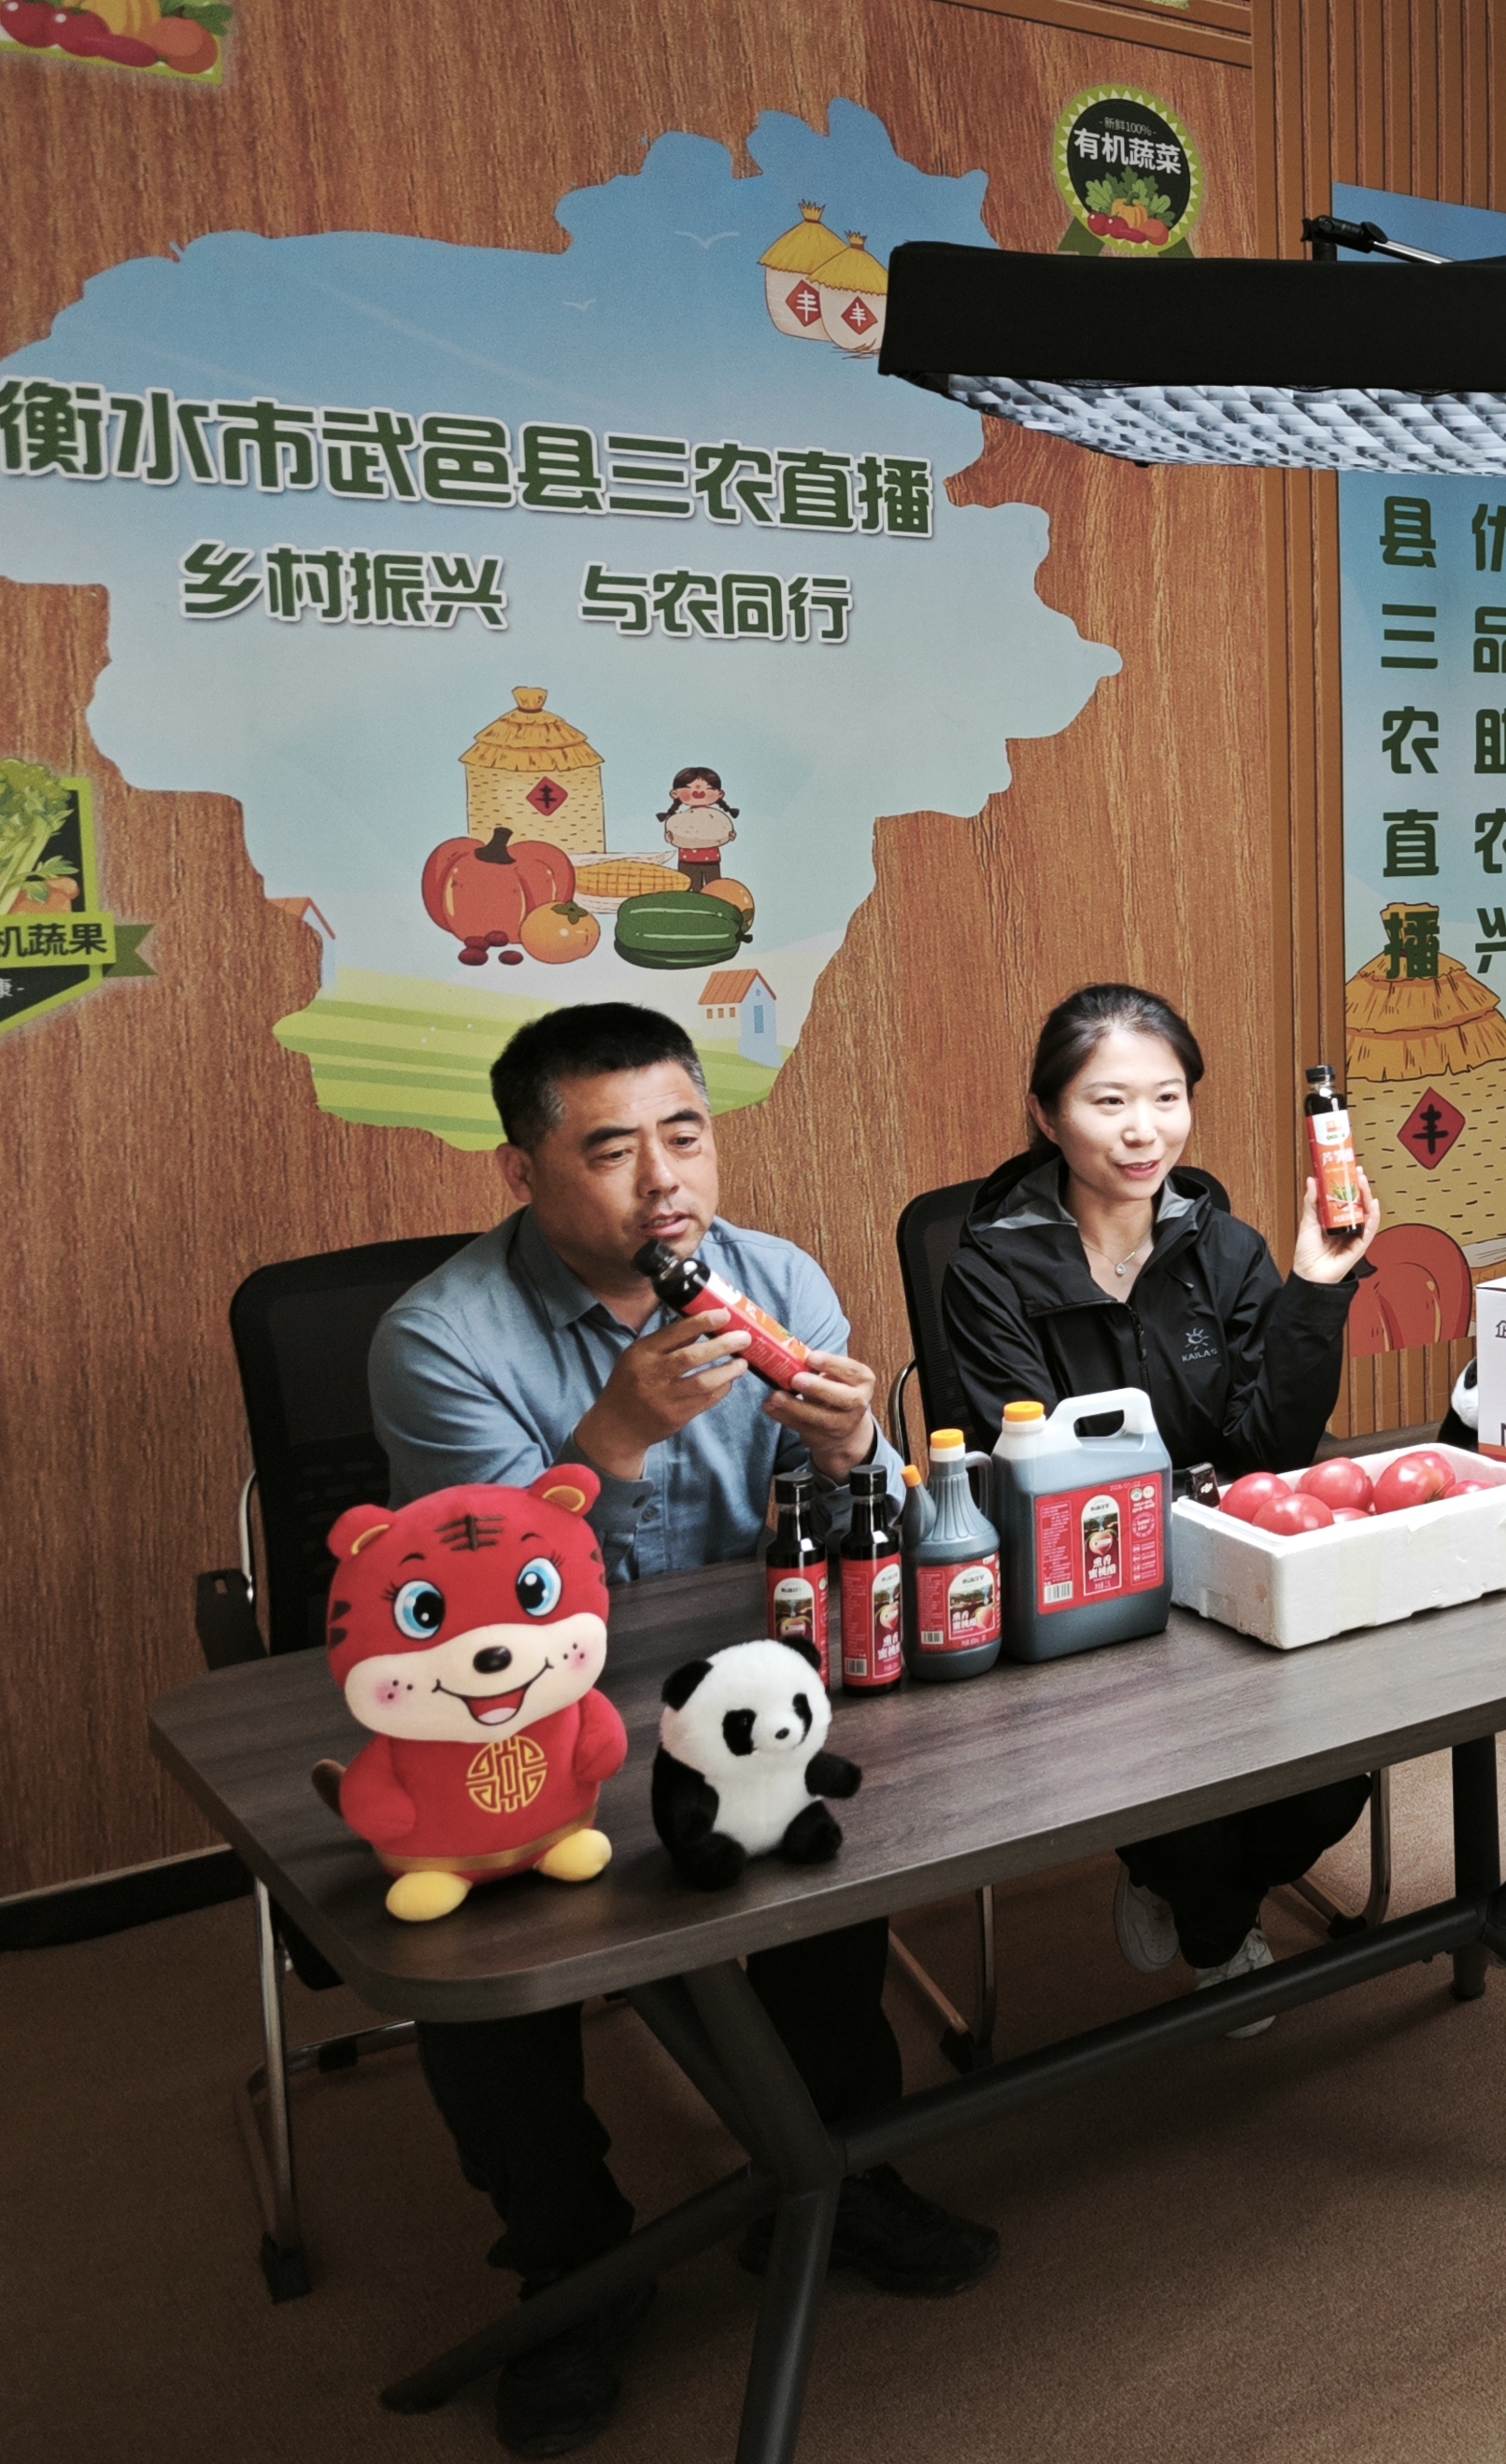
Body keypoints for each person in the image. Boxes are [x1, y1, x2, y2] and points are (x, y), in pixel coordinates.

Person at [368, 1003, 996, 2460]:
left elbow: (880, 1539)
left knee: (843, 1822)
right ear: (523, 1169)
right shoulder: (437, 1341)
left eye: (686, 1135)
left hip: (744, 1685)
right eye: (611, 1150)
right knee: (482, 1952)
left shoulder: (777, 1281)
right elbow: (473, 1616)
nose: (665, 1182)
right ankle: (572, 2265)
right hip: (524, 1715)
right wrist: (612, 1439)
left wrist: (857, 1451)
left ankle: (831, 2173)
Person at [937, 984, 1377, 2011]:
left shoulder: (1225, 1248)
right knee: (1174, 1809)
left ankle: (1188, 1890)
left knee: (1335, 1782)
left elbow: (1270, 1451)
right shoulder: (988, 1270)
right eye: (1109, 1102)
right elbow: (1041, 1473)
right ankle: (1216, 1923)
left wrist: (1315, 1286)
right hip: (1086, 1594)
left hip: (1231, 1566)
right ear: (1048, 1115)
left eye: (1167, 1098)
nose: (1144, 1131)